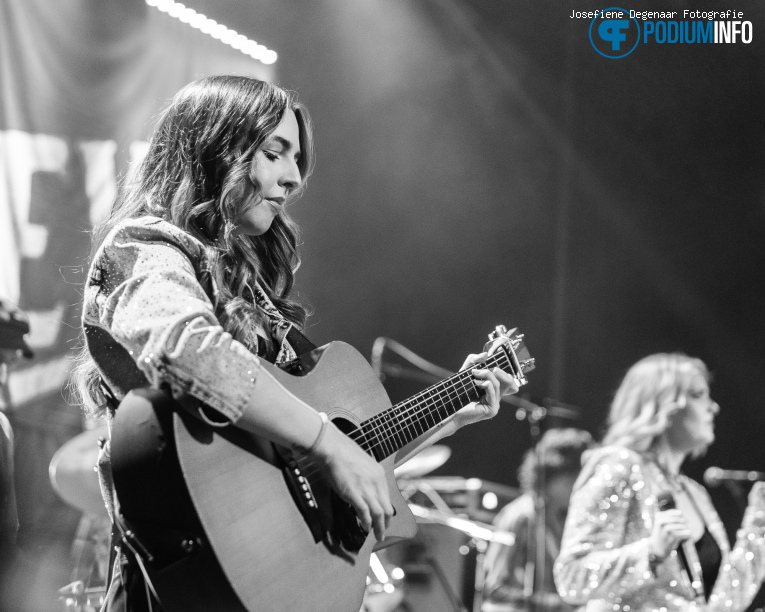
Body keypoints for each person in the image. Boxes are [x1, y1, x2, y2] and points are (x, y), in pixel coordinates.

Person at [72, 75, 518, 611]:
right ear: (215, 148)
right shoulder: (145, 244)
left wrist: (452, 411)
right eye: (274, 152)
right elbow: (185, 348)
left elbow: (326, 469)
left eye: (297, 157)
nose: (294, 178)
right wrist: (325, 441)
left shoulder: (251, 284)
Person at [554, 353, 765, 612]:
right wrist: (650, 553)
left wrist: (760, 526)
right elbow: (572, 577)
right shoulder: (620, 465)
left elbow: (723, 605)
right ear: (661, 404)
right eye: (699, 394)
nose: (714, 407)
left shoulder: (695, 493)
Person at [482, 428, 593, 612]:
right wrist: (556, 605)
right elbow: (494, 588)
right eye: (574, 480)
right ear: (556, 476)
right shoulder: (519, 515)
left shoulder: (563, 518)